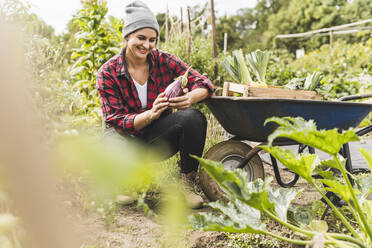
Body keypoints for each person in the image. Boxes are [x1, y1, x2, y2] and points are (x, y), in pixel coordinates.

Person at [96, 0, 215, 209]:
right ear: (127, 37)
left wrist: (190, 98)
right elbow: (116, 121)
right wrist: (151, 114)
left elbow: (204, 83)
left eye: (152, 40)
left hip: (156, 139)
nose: (147, 45)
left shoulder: (163, 61)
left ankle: (186, 184)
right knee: (111, 139)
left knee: (193, 117)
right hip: (124, 140)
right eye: (140, 38)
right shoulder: (108, 72)